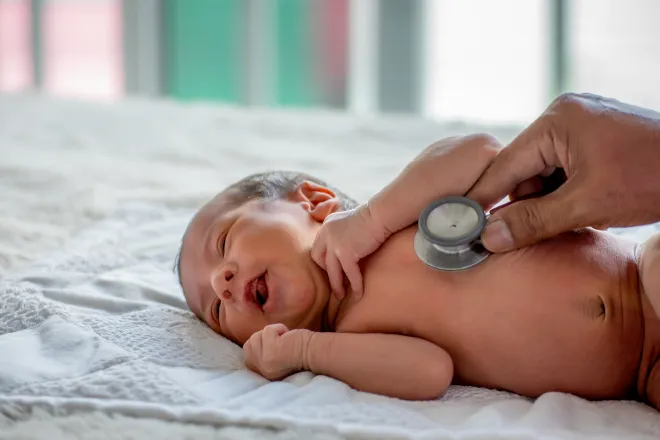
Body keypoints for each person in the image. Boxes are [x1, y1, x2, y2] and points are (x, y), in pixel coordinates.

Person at [176, 133, 660, 408]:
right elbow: (431, 372)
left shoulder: (389, 220)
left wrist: (372, 216)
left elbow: (481, 153)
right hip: (641, 373)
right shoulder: (351, 336)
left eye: (224, 241)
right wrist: (304, 351)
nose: (222, 282)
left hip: (641, 275)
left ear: (315, 203)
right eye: (217, 310)